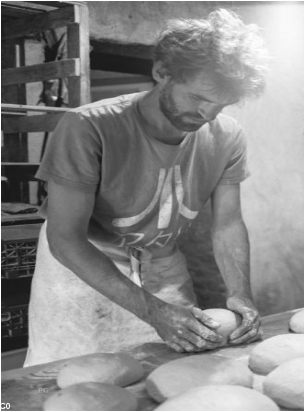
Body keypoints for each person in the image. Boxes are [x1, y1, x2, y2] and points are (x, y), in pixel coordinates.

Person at [24, 9, 269, 366]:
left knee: (173, 373)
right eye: (199, 98)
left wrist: (240, 294)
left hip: (162, 264)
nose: (208, 115)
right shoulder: (88, 127)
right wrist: (153, 312)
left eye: (221, 104)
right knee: (76, 382)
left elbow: (228, 223)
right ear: (161, 72)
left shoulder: (227, 136)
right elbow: (65, 238)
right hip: (85, 271)